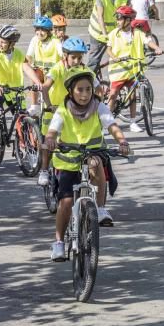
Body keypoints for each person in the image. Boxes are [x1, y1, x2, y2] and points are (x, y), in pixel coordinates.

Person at [44, 69, 131, 260]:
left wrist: (122, 141)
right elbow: (52, 131)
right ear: (70, 91)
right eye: (79, 90)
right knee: (66, 203)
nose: (84, 95)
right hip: (68, 161)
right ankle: (58, 242)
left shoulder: (98, 107)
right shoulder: (63, 109)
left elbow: (112, 126)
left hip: (92, 154)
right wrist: (50, 140)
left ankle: (99, 209)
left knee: (95, 163)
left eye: (88, 90)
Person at [38, 37, 99, 187]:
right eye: (73, 57)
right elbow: (45, 87)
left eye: (80, 57)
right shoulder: (58, 68)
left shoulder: (85, 70)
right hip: (56, 111)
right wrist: (49, 105)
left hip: (76, 113)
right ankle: (44, 170)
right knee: (49, 143)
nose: (77, 61)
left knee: (75, 144)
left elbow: (98, 89)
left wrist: (98, 102)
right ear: (65, 55)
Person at [102, 5, 164, 132]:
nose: (118, 21)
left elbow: (148, 41)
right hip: (118, 70)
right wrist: (114, 57)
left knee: (132, 96)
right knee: (113, 95)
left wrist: (156, 48)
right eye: (118, 19)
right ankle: (106, 122)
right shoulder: (114, 34)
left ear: (129, 20)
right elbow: (108, 49)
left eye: (120, 18)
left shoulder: (138, 33)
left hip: (133, 69)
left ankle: (133, 122)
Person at [0, 25, 43, 134]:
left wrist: (37, 81)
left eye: (3, 42)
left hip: (15, 90)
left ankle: (26, 141)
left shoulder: (18, 54)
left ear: (12, 44)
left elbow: (27, 68)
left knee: (22, 116)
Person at [87, 0, 130, 71]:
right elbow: (100, 16)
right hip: (98, 32)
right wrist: (105, 34)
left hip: (114, 32)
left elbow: (128, 12)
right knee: (94, 62)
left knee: (120, 57)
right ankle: (88, 81)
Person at [26, 15, 63, 82]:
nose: (39, 33)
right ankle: (34, 92)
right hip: (39, 72)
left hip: (53, 73)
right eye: (37, 29)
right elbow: (29, 56)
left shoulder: (56, 41)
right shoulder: (34, 39)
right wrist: (29, 68)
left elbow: (62, 56)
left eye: (43, 30)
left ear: (48, 32)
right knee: (34, 82)